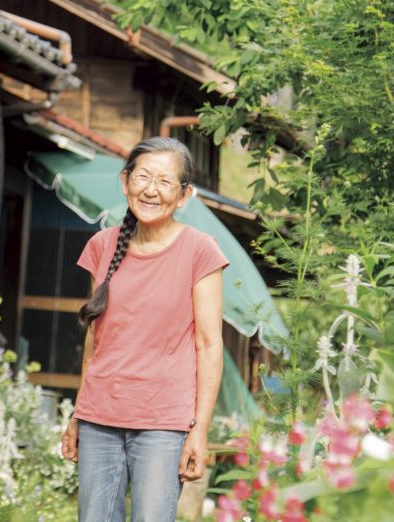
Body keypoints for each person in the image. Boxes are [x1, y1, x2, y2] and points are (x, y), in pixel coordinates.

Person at [60, 137, 228, 522]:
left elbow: (208, 345)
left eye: (165, 182)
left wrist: (199, 430)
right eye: (143, 177)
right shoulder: (102, 246)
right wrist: (77, 413)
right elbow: (95, 338)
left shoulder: (200, 250)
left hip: (164, 424)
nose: (151, 190)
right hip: (99, 417)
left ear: (184, 196)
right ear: (125, 182)